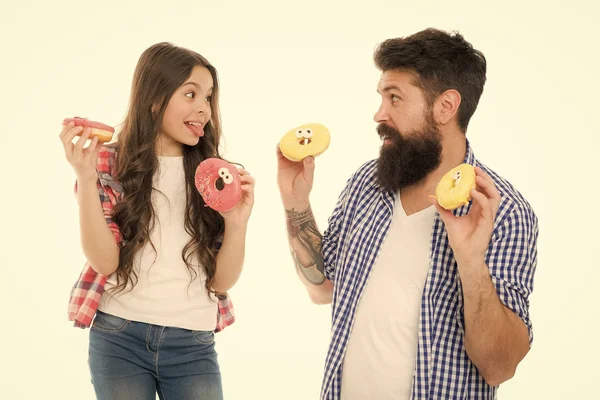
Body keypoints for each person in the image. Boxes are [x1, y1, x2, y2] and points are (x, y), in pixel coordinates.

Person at [277, 28, 538, 399]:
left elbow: (499, 366)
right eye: (382, 97)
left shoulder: (502, 211)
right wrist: (295, 202)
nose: (379, 114)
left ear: (446, 106)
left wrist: (470, 261)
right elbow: (323, 289)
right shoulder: (366, 184)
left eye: (395, 98)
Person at [62, 42, 255, 400]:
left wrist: (237, 222)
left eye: (209, 97)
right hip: (119, 336)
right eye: (191, 94)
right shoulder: (108, 164)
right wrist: (86, 178)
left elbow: (222, 281)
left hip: (192, 343)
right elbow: (104, 262)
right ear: (154, 99)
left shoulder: (216, 177)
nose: (204, 109)